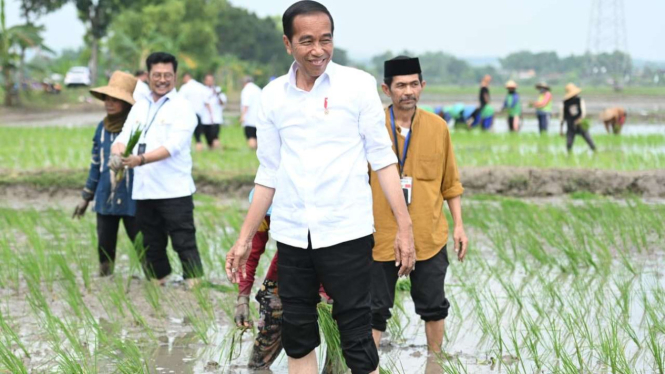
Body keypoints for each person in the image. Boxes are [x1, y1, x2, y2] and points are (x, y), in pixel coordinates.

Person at [225, 2, 416, 373]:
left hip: (346, 231)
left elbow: (383, 159)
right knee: (298, 335)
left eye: (325, 40)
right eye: (307, 41)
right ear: (288, 43)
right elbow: (269, 172)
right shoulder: (273, 96)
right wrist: (245, 237)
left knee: (358, 337)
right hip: (294, 236)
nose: (318, 50)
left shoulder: (356, 85)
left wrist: (404, 227)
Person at [371, 56, 468, 358]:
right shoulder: (372, 127)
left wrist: (460, 226)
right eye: (400, 85)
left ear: (422, 86)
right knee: (374, 308)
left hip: (429, 234)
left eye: (414, 84)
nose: (408, 91)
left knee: (434, 304)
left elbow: (450, 182)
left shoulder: (438, 128)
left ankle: (435, 361)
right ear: (386, 89)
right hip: (379, 234)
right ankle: (367, 365)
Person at [111, 52, 203, 288]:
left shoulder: (183, 107)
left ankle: (194, 285)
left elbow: (172, 146)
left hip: (174, 190)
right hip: (144, 189)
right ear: (148, 76)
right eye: (157, 75)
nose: (162, 80)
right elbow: (124, 136)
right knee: (151, 242)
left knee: (183, 239)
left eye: (167, 75)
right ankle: (158, 282)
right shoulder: (140, 106)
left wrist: (140, 159)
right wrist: (117, 152)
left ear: (175, 76)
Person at [73, 71, 140, 277]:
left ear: (126, 103)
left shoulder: (137, 127)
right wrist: (86, 197)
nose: (109, 103)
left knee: (143, 244)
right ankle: (105, 278)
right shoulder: (101, 128)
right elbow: (96, 165)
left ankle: (155, 280)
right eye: (107, 99)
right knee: (104, 244)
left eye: (115, 100)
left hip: (133, 197)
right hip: (105, 196)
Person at [560, 83, 596, 152]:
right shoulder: (565, 103)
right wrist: (561, 129)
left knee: (588, 139)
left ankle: (595, 151)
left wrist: (580, 119)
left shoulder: (579, 100)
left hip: (580, 124)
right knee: (569, 143)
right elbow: (562, 117)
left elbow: (583, 112)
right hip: (570, 125)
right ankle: (569, 156)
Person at [180, 72, 210, 152]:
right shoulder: (201, 87)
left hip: (187, 114)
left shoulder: (185, 87)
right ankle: (199, 151)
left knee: (186, 134)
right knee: (198, 136)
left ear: (185, 78)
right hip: (199, 114)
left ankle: (187, 150)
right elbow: (206, 102)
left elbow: (179, 101)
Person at [199, 73, 227, 150]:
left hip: (216, 119)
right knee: (208, 138)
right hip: (206, 119)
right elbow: (206, 103)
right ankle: (211, 151)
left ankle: (218, 151)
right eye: (208, 80)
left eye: (211, 80)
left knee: (215, 137)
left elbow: (223, 102)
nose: (210, 82)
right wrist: (210, 115)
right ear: (205, 81)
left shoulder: (218, 90)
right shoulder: (203, 90)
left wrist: (217, 94)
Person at [240, 76, 262, 150]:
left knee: (250, 136)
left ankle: (252, 150)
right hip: (259, 117)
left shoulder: (246, 90)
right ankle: (258, 150)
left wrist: (242, 116)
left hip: (250, 118)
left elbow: (246, 104)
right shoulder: (258, 89)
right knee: (257, 136)